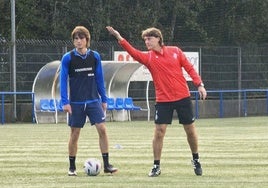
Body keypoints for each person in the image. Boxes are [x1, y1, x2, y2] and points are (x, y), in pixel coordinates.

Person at [106, 26, 207, 177]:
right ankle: (156, 166)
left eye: (149, 39)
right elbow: (132, 51)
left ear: (158, 38)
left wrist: (199, 85)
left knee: (190, 131)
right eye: (145, 39)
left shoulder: (175, 51)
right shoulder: (149, 57)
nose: (147, 42)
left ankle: (196, 159)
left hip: (183, 97)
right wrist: (119, 37)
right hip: (163, 100)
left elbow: (190, 68)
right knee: (159, 133)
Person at [60, 26, 118, 176]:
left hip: (93, 101)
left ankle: (106, 165)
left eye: (81, 38)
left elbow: (99, 78)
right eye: (76, 39)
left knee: (102, 129)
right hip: (76, 103)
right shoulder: (68, 58)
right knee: (75, 134)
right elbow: (63, 80)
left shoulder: (95, 56)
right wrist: (65, 102)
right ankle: (72, 167)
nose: (78, 41)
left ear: (87, 40)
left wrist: (103, 99)